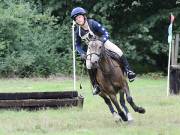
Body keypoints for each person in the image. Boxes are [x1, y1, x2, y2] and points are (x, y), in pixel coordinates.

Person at [71, 7, 136, 95]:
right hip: (92, 49)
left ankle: (129, 71)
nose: (78, 20)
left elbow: (106, 33)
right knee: (89, 65)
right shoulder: (77, 32)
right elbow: (77, 45)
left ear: (84, 16)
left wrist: (101, 41)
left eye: (79, 17)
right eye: (76, 18)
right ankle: (95, 85)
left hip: (103, 43)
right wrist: (82, 53)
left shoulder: (93, 23)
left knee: (118, 51)